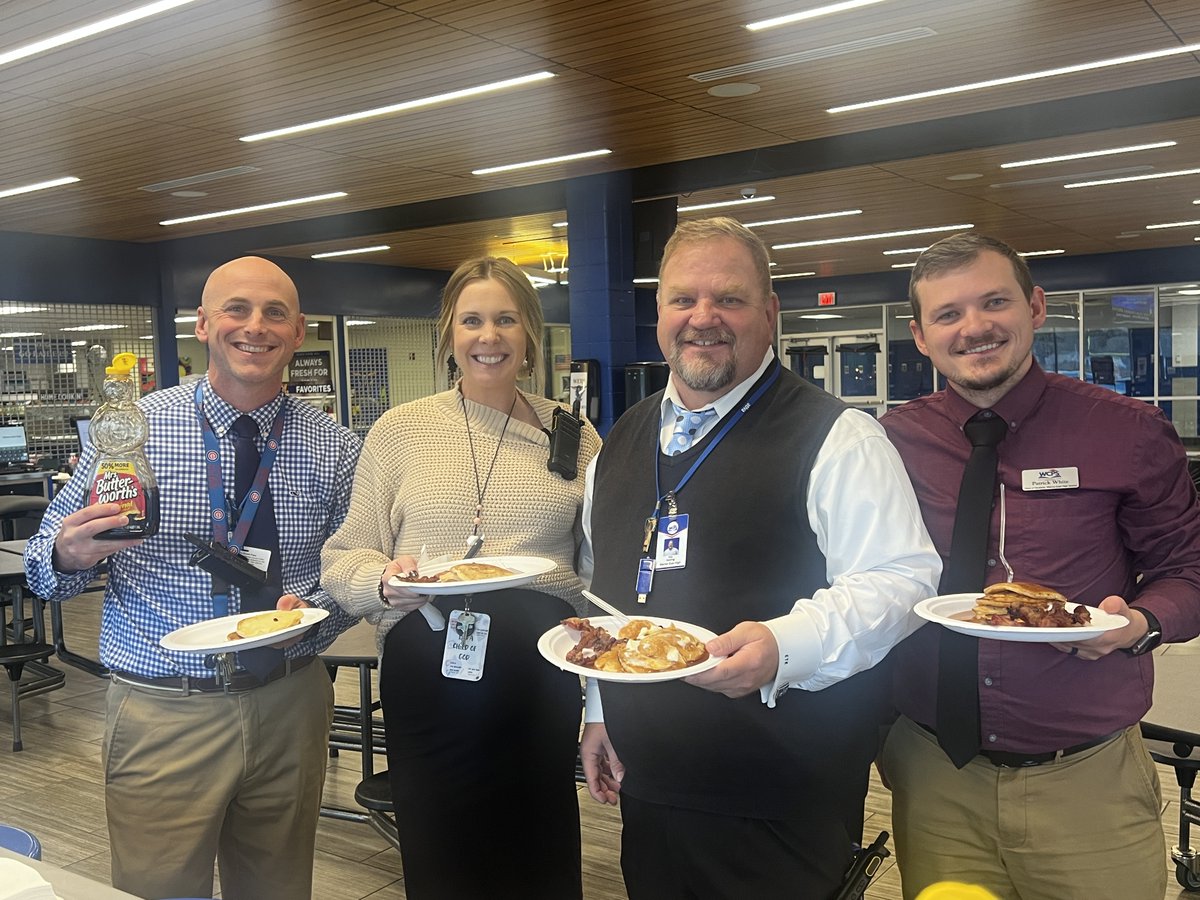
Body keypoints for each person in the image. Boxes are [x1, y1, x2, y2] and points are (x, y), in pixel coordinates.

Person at [578, 216, 941, 899]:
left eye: (730, 299)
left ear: (771, 314)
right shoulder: (623, 440)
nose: (703, 318)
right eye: (683, 299)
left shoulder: (839, 436)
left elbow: (901, 577)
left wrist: (784, 643)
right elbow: (613, 598)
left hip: (780, 800)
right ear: (658, 314)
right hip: (651, 786)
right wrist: (600, 709)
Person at [24, 257, 362, 900]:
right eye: (236, 309)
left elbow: (350, 571)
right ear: (202, 324)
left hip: (290, 702)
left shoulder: (334, 445)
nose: (254, 327)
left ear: (299, 333)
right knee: (158, 890)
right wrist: (69, 554)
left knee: (278, 889)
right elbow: (44, 570)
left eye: (275, 313)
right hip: (162, 708)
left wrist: (315, 608)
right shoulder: (131, 432)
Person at [879, 233, 1200, 900]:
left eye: (994, 301)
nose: (974, 327)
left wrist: (1140, 622)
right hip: (936, 772)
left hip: (1087, 783)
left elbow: (1189, 570)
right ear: (919, 334)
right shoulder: (889, 442)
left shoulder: (1127, 432)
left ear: (1036, 306)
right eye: (948, 314)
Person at [321, 256, 602, 900]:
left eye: (506, 320)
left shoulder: (573, 433)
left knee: (540, 844)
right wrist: (384, 582)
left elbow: (596, 567)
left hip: (543, 677)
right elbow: (345, 558)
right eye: (472, 320)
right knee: (443, 850)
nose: (489, 336)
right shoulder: (400, 432)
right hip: (430, 673)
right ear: (448, 335)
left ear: (530, 334)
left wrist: (600, 692)